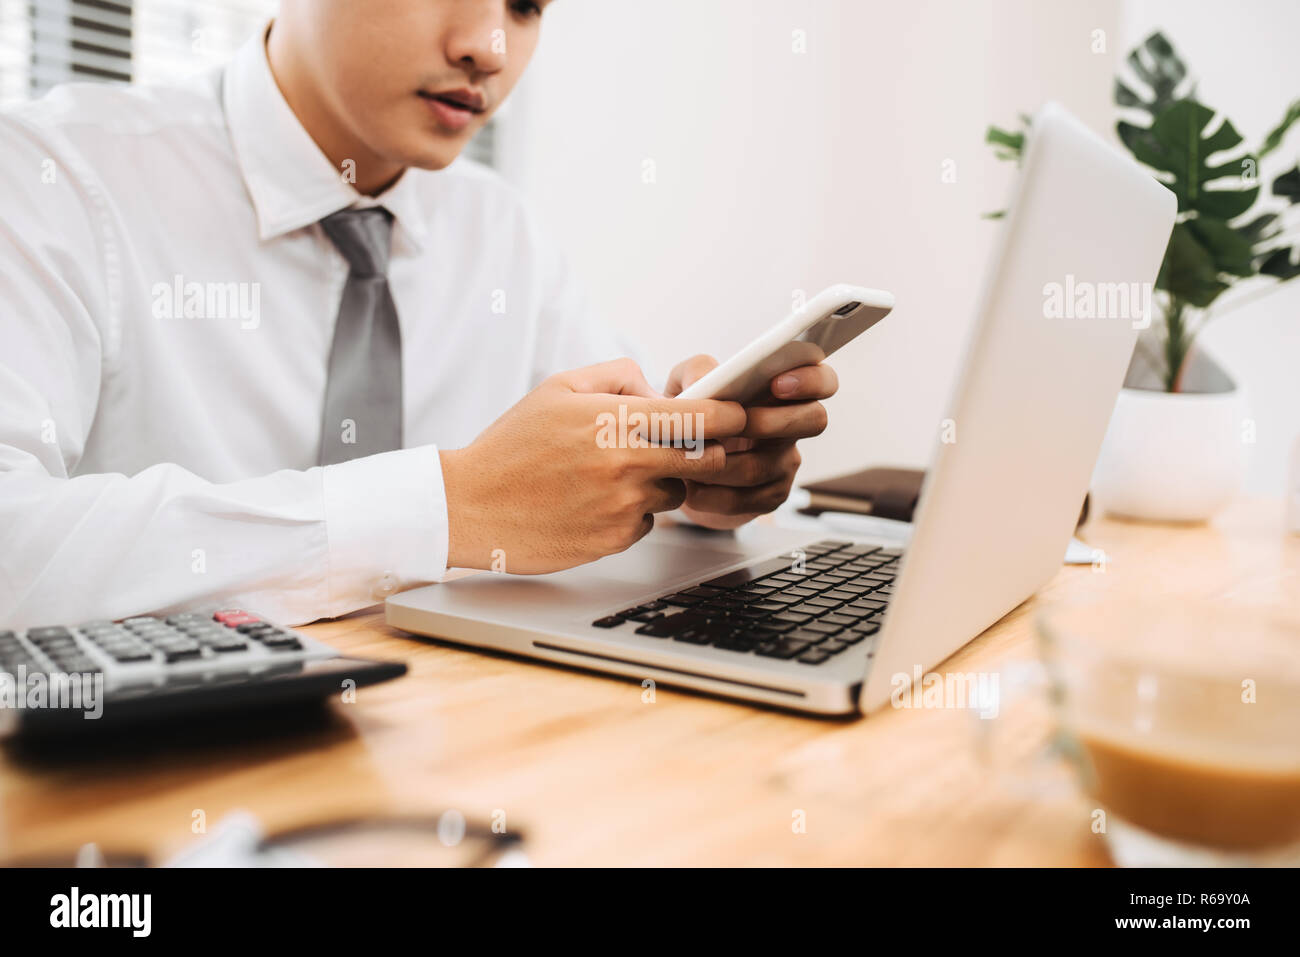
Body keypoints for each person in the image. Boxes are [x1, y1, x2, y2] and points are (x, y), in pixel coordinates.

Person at [0, 0, 837, 628]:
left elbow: (604, 466)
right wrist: (449, 506)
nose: (488, 46)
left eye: (525, 4)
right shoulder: (50, 177)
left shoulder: (499, 229)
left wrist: (701, 481)